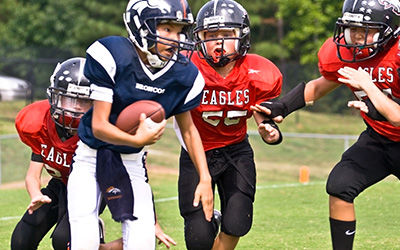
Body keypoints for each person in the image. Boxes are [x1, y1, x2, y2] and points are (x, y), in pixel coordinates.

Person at [252, 0, 400, 249]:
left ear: (390, 30)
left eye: (365, 31)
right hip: (380, 137)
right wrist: (283, 107)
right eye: (352, 29)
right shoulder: (346, 53)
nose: (356, 38)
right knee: (340, 185)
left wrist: (371, 92)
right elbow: (323, 83)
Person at [66, 0, 214, 249]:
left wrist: (205, 178)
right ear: (140, 26)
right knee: (85, 239)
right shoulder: (113, 55)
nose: (175, 38)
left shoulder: (184, 74)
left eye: (179, 31)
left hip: (132, 161)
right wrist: (138, 140)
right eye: (167, 29)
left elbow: (188, 130)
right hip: (91, 155)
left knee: (142, 242)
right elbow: (100, 125)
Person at [175, 1, 283, 249]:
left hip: (236, 149)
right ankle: (210, 223)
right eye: (210, 35)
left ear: (242, 36)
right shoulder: (186, 67)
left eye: (226, 34)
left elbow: (262, 116)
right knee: (198, 238)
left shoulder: (258, 71)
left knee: (238, 220)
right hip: (196, 151)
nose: (218, 42)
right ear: (198, 38)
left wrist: (270, 133)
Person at [10, 57, 102, 250]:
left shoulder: (100, 130)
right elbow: (33, 174)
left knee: (62, 241)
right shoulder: (39, 123)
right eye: (70, 98)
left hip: (91, 188)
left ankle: (95, 237)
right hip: (60, 184)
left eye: (84, 101)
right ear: (55, 96)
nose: (76, 107)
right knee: (21, 238)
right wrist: (36, 195)